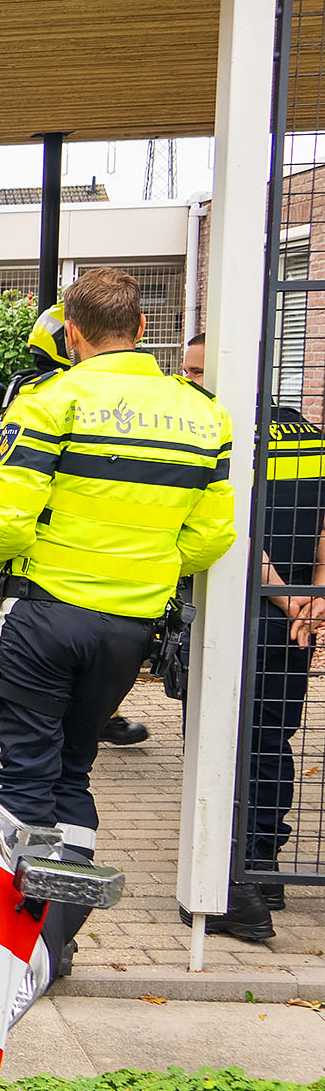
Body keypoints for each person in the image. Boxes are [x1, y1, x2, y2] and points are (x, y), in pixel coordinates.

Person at [0, 268, 236, 976]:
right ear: (144, 329)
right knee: (76, 770)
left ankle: (9, 947)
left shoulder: (52, 402)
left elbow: (1, 528)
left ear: (73, 334)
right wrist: (143, 564)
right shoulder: (203, 413)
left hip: (45, 614)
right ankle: (59, 937)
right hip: (130, 624)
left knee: (22, 775)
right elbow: (212, 537)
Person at [174, 333, 321, 940]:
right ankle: (262, 862)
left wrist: (292, 598)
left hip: (239, 610)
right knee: (274, 738)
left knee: (218, 737)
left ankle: (227, 865)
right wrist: (313, 599)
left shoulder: (213, 434)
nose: (191, 381)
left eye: (200, 371)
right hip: (293, 622)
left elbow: (231, 530)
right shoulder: (308, 435)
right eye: (186, 370)